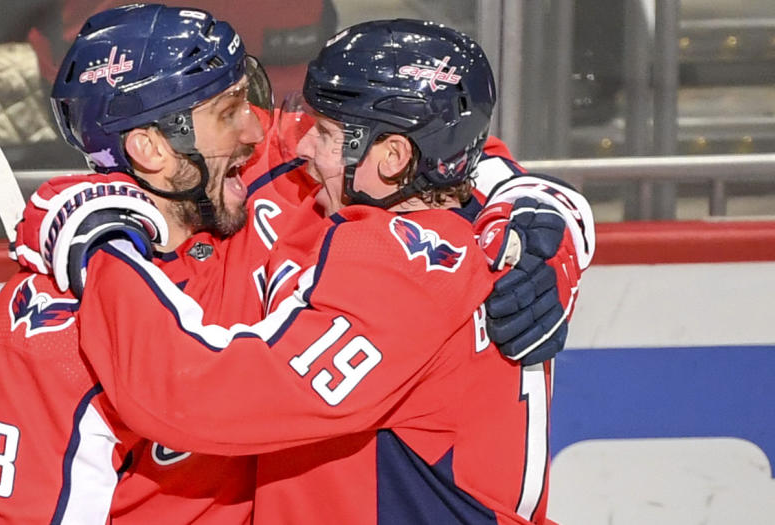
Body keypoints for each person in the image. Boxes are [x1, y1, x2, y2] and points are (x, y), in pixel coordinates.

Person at [0, 7, 587, 524]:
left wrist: (537, 206)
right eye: (229, 109)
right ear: (155, 146)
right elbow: (32, 413)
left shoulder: (295, 189)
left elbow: (433, 142)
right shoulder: (70, 306)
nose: (268, 127)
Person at [36, 18, 593, 524]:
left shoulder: (402, 255)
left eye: (323, 132)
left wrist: (105, 249)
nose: (278, 136)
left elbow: (194, 398)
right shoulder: (454, 216)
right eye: (227, 110)